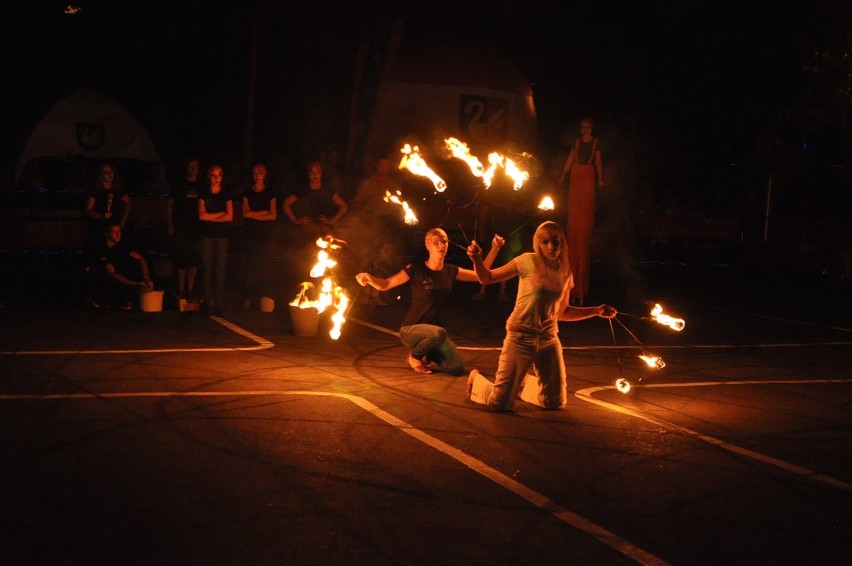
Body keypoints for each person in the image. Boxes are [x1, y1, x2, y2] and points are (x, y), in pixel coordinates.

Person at [465, 220, 616, 411]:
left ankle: (523, 385)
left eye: (556, 241)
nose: (551, 247)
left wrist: (596, 310)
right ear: (538, 243)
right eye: (545, 242)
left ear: (562, 243)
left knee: (554, 402)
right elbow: (486, 278)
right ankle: (477, 383)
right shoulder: (527, 260)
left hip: (548, 339)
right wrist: (477, 260)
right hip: (520, 337)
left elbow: (563, 312)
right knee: (499, 403)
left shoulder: (565, 274)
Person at [355, 228, 504, 375]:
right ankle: (415, 356)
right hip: (412, 329)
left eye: (444, 242)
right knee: (438, 333)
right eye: (436, 243)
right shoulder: (416, 269)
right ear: (428, 245)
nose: (441, 246)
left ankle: (427, 353)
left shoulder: (451, 271)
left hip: (434, 334)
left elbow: (481, 276)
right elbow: (386, 284)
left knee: (456, 368)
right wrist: (370, 279)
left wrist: (494, 249)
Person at [558, 117, 604, 306]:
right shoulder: (576, 143)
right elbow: (570, 159)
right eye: (582, 127)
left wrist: (600, 179)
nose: (585, 130)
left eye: (587, 127)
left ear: (592, 128)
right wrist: (563, 175)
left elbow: (598, 162)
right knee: (574, 231)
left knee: (583, 234)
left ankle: (581, 290)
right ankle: (569, 288)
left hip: (587, 178)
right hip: (577, 176)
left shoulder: (595, 144)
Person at [282, 161, 349, 283]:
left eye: (317, 172)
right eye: (312, 172)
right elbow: (286, 204)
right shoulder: (302, 189)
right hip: (307, 232)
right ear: (308, 174)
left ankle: (324, 288)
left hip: (324, 231)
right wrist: (296, 220)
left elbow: (344, 206)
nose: (315, 175)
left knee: (327, 261)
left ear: (321, 174)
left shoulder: (327, 189)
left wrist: (332, 220)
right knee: (306, 262)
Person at [85, 222, 154, 311]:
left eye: (119, 231)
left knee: (132, 266)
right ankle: (97, 299)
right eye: (114, 232)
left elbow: (141, 259)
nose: (118, 235)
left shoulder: (121, 246)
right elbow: (111, 273)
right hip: (99, 277)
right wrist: (136, 284)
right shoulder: (102, 248)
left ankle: (122, 300)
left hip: (113, 275)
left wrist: (146, 277)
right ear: (107, 234)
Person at [240, 162, 277, 310]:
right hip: (250, 235)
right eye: (255, 172)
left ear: (265, 174)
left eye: (260, 172)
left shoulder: (270, 193)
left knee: (264, 266)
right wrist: (263, 212)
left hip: (266, 235)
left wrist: (254, 214)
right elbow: (245, 213)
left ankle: (264, 297)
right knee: (250, 267)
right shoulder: (247, 192)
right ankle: (248, 297)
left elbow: (273, 215)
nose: (257, 175)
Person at [198, 164, 233, 315]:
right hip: (206, 236)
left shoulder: (226, 194)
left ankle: (218, 303)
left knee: (220, 270)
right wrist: (220, 214)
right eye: (213, 175)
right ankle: (207, 303)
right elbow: (201, 216)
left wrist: (210, 216)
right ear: (209, 176)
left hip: (222, 237)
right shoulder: (203, 194)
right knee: (206, 269)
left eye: (219, 175)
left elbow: (230, 216)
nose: (216, 178)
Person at [83, 163, 132, 268]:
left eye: (111, 172)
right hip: (101, 226)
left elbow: (128, 203)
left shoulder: (117, 188)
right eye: (106, 173)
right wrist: (101, 215)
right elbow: (88, 209)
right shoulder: (96, 190)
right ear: (101, 175)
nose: (110, 175)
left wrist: (123, 220)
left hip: (115, 225)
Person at [167, 157, 202, 301]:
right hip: (181, 227)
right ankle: (181, 289)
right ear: (186, 168)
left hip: (196, 228)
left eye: (195, 166)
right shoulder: (179, 185)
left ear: (198, 169)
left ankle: (190, 289)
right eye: (190, 166)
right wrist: (170, 223)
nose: (192, 169)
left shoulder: (201, 186)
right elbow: (169, 204)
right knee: (181, 259)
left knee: (193, 259)